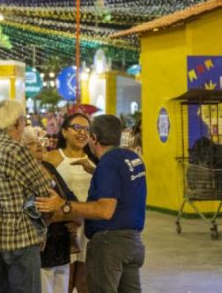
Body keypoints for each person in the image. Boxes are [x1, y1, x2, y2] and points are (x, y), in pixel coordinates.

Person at [35, 114, 146, 293]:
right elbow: (123, 186)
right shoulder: (131, 159)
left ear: (93, 138)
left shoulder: (107, 164)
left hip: (109, 244)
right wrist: (95, 172)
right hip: (133, 244)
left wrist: (65, 205)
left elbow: (105, 210)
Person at [0, 99, 51, 293]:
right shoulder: (17, 150)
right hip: (21, 236)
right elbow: (43, 190)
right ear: (17, 122)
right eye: (24, 121)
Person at [43, 113, 95, 293]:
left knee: (85, 280)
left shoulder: (95, 161)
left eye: (87, 129)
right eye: (77, 128)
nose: (82, 133)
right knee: (64, 280)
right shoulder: (51, 158)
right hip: (63, 227)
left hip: (88, 226)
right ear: (64, 132)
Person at [23, 128, 78, 293]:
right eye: (32, 143)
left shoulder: (47, 166)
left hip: (61, 239)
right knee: (44, 286)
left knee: (62, 285)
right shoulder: (24, 172)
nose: (39, 145)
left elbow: (68, 194)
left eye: (38, 141)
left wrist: (72, 214)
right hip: (42, 242)